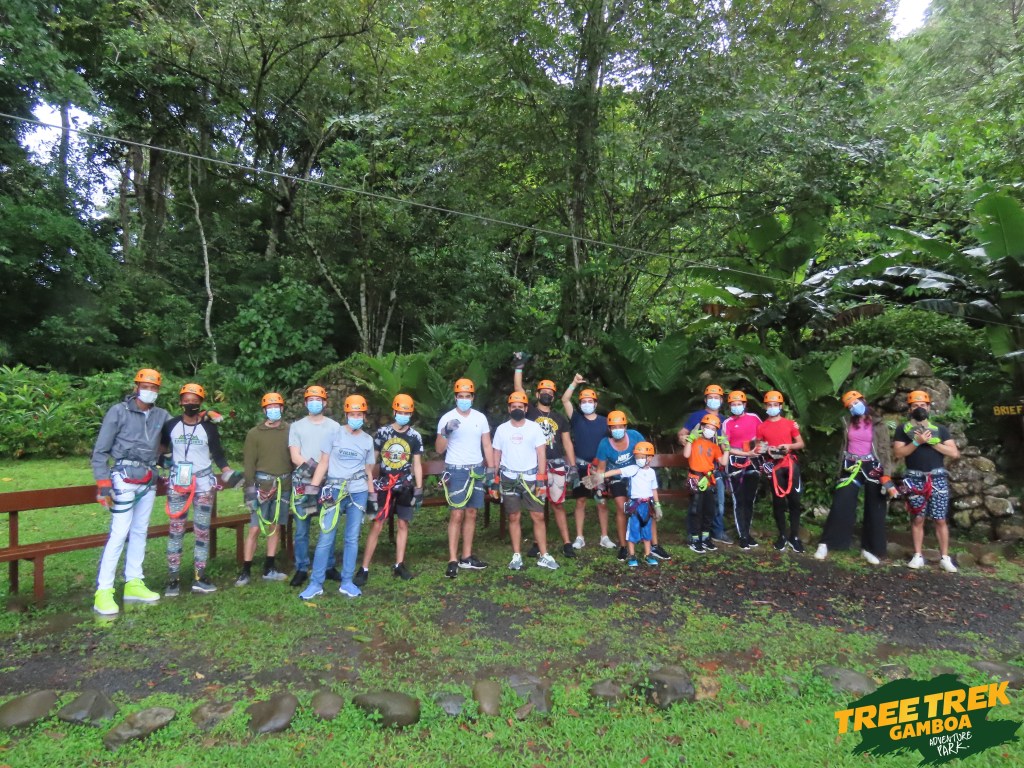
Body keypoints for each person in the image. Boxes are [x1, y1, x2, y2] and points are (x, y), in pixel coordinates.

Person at [91, 368, 171, 615]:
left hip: (147, 479)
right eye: (146, 387)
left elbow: (173, 438)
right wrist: (103, 483)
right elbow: (101, 450)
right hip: (123, 478)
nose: (150, 391)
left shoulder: (162, 415)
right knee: (119, 532)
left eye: (154, 388)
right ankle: (103, 591)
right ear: (136, 387)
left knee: (139, 531)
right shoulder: (119, 412)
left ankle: (134, 581)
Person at [161, 382, 239, 596]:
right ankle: (173, 578)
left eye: (195, 402)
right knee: (176, 530)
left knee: (202, 531)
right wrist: (160, 465)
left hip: (203, 484)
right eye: (186, 401)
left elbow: (218, 453)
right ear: (180, 402)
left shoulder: (208, 427)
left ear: (201, 404)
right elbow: (162, 449)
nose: (190, 404)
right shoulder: (171, 425)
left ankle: (199, 576)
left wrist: (227, 471)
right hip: (179, 484)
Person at [300, 394, 376, 599]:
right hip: (334, 490)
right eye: (352, 413)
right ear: (346, 414)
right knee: (326, 536)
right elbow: (323, 463)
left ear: (364, 415)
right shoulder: (334, 434)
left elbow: (368, 470)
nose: (356, 417)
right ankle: (316, 582)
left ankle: (347, 581)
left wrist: (372, 497)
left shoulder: (368, 441)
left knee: (352, 538)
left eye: (359, 413)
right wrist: (312, 490)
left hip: (358, 492)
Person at [815, 391, 894, 565]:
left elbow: (885, 451)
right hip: (851, 465)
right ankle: (827, 543)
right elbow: (843, 445)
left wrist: (887, 475)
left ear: (863, 401)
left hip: (873, 466)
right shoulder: (847, 422)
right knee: (841, 502)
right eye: (850, 406)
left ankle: (870, 548)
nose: (853, 407)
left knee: (876, 507)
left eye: (855, 403)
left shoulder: (879, 424)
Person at [354, 393, 424, 585]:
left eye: (407, 412)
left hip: (405, 484)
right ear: (394, 411)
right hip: (384, 484)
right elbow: (372, 460)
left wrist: (418, 488)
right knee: (377, 524)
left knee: (403, 524)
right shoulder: (383, 433)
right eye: (400, 411)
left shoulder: (414, 436)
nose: (403, 415)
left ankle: (399, 564)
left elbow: (416, 464)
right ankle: (364, 567)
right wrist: (369, 483)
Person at [512, 356, 578, 559]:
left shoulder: (559, 417)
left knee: (558, 504)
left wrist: (573, 466)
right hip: (535, 466)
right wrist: (519, 367)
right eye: (544, 392)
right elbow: (518, 389)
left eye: (551, 392)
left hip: (557, 464)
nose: (547, 394)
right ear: (538, 394)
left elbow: (567, 442)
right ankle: (535, 543)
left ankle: (567, 542)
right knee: (536, 506)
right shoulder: (530, 411)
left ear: (554, 396)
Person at [893, 390, 960, 573]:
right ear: (910, 409)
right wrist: (916, 442)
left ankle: (945, 557)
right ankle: (918, 555)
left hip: (937, 477)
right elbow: (898, 453)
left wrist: (933, 443)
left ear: (929, 407)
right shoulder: (903, 429)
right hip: (914, 477)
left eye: (922, 405)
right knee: (918, 518)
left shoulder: (940, 429)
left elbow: (954, 453)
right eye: (915, 405)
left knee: (940, 519)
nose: (919, 408)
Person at [436, 378, 496, 579]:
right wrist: (446, 432)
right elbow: (438, 449)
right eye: (460, 396)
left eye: (467, 396)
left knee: (471, 513)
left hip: (476, 470)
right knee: (457, 514)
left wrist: (491, 469)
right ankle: (452, 559)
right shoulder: (447, 418)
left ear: (472, 397)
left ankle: (466, 556)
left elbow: (487, 445)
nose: (464, 399)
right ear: (455, 397)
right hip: (456, 470)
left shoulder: (480, 418)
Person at [492, 392, 554, 570]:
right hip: (509, 477)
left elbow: (541, 453)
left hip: (531, 477)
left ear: (526, 409)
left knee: (538, 516)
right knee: (513, 516)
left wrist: (541, 479)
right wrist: (495, 478)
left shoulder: (534, 428)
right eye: (514, 406)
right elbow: (497, 454)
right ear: (509, 408)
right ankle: (517, 555)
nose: (517, 409)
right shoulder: (502, 429)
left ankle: (544, 554)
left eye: (520, 406)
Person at [287, 385, 342, 588]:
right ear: (305, 403)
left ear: (325, 402)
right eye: (311, 400)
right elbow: (295, 455)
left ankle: (328, 566)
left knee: (328, 525)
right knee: (302, 527)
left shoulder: (335, 427)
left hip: (328, 483)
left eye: (318, 400)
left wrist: (324, 472)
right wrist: (315, 469)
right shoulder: (297, 427)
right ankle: (302, 567)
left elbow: (336, 454)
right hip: (303, 482)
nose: (315, 403)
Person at [239, 392, 293, 586]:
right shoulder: (254, 434)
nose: (273, 410)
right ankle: (245, 569)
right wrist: (250, 491)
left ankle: (269, 567)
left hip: (284, 485)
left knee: (275, 526)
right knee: (255, 528)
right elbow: (249, 464)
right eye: (269, 407)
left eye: (277, 406)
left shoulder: (289, 431)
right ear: (264, 410)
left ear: (282, 408)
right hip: (262, 486)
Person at [587, 442, 662, 567]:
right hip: (635, 506)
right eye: (637, 457)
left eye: (642, 457)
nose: (639, 460)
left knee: (647, 531)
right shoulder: (632, 469)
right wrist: (600, 476)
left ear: (650, 457)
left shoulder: (651, 473)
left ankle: (648, 554)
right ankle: (632, 555)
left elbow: (653, 489)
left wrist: (657, 505)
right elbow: (617, 470)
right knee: (633, 530)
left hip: (647, 505)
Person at [562, 375, 614, 550]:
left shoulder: (604, 422)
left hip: (598, 468)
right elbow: (565, 399)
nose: (586, 404)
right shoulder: (576, 418)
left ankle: (604, 536)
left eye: (590, 401)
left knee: (601, 501)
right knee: (580, 501)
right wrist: (574, 383)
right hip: (581, 466)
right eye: (583, 401)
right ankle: (579, 537)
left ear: (596, 403)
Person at [677, 384, 731, 545]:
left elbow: (726, 442)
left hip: (715, 468)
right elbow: (682, 433)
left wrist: (727, 448)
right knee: (696, 504)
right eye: (711, 397)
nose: (714, 400)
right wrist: (686, 440)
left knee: (716, 504)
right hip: (698, 468)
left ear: (721, 400)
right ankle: (693, 534)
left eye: (717, 398)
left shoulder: (724, 421)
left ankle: (714, 533)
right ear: (706, 399)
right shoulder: (696, 416)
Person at [595, 411, 653, 562]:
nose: (617, 429)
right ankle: (623, 546)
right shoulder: (604, 444)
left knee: (647, 508)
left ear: (626, 426)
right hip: (617, 478)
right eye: (614, 427)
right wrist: (599, 487)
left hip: (636, 476)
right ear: (609, 429)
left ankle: (652, 544)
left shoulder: (635, 436)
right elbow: (601, 469)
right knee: (622, 508)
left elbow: (647, 453)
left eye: (620, 426)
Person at [755, 390, 806, 553]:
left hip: (790, 465)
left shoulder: (790, 424)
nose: (772, 407)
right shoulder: (761, 427)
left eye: (775, 405)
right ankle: (782, 535)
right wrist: (766, 450)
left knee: (794, 501)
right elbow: (758, 446)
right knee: (778, 502)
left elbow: (800, 443)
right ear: (765, 406)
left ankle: (795, 536)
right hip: (774, 466)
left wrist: (788, 446)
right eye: (769, 405)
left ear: (780, 406)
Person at [721, 391, 762, 549]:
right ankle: (742, 535)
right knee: (739, 499)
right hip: (736, 462)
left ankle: (747, 531)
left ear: (744, 405)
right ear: (729, 406)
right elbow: (725, 446)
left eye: (739, 404)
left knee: (749, 500)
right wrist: (745, 453)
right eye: (733, 404)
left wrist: (756, 447)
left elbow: (762, 436)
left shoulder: (754, 418)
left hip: (754, 461)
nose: (736, 407)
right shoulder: (728, 423)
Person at [683, 413, 728, 553]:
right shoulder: (694, 441)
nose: (709, 430)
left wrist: (726, 448)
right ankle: (694, 538)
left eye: (713, 428)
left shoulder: (714, 447)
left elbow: (723, 462)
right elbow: (686, 455)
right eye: (707, 427)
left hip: (709, 480)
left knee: (709, 509)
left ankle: (705, 537)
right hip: (695, 478)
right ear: (701, 427)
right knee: (696, 509)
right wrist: (691, 438)